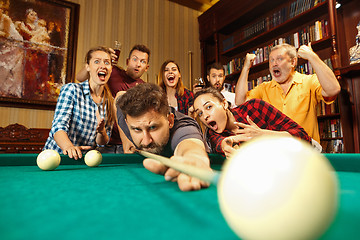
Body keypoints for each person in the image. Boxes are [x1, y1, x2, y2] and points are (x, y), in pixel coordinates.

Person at [235, 43, 341, 143]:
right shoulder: (264, 88)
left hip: (306, 152)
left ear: (293, 62)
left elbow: (333, 89)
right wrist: (246, 67)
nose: (274, 63)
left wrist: (311, 56)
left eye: (279, 59)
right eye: (271, 60)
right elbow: (240, 103)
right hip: (278, 154)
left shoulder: (308, 81)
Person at [116, 83, 211, 191]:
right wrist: (125, 140)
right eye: (137, 130)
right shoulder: (126, 116)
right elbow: (119, 97)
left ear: (170, 121)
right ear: (127, 123)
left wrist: (195, 158)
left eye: (152, 128)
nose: (146, 142)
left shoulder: (182, 127)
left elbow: (190, 145)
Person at [193, 87, 311, 157]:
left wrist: (264, 135)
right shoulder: (211, 133)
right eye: (200, 113)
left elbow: (304, 137)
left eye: (208, 107)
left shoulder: (255, 106)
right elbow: (222, 143)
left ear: (224, 104)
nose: (205, 116)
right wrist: (226, 145)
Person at [44, 47, 116, 160]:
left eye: (107, 62)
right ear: (87, 66)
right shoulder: (71, 90)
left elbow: (102, 143)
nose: (103, 66)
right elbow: (58, 127)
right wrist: (69, 147)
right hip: (56, 158)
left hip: (84, 162)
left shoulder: (110, 101)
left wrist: (101, 131)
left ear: (111, 68)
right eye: (97, 61)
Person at [76, 44, 150, 153]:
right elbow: (80, 78)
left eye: (142, 61)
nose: (138, 64)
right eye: (135, 59)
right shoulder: (112, 71)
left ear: (147, 67)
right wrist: (105, 59)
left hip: (128, 143)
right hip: (103, 140)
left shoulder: (144, 88)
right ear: (127, 61)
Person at [0, 1, 24, 98]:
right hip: (5, 43)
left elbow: (6, 34)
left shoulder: (5, 19)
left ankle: (7, 90)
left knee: (6, 66)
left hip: (14, 43)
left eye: (1, 9)